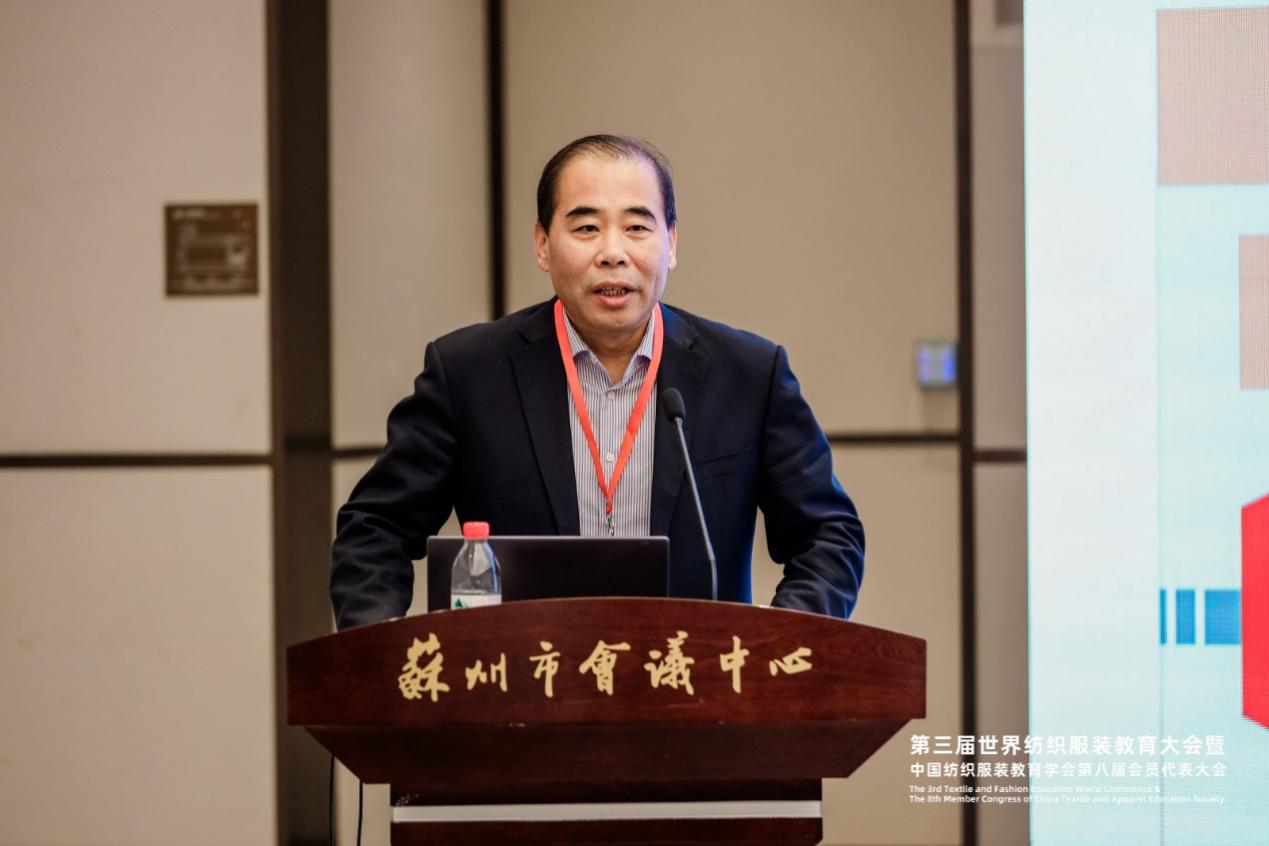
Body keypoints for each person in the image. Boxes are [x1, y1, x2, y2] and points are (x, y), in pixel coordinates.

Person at [331, 135, 863, 630]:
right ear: (543, 244)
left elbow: (828, 535)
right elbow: (375, 529)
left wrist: (778, 644)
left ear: (671, 243)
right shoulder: (468, 373)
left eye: (637, 227)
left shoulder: (748, 373)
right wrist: (383, 656)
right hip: (522, 680)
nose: (613, 251)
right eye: (586, 228)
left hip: (693, 682)